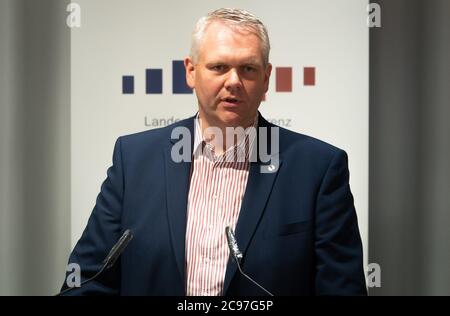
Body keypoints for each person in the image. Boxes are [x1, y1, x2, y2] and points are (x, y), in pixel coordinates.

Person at [61, 8, 367, 296]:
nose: (233, 82)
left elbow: (342, 289)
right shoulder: (134, 160)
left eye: (248, 68)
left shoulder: (318, 168)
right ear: (191, 71)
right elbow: (88, 280)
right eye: (219, 67)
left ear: (266, 78)